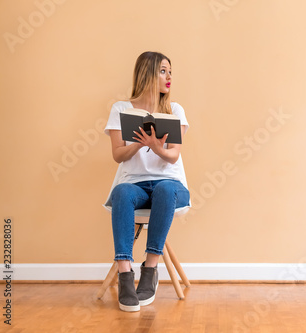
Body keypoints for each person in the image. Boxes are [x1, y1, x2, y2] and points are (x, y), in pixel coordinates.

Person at [103, 51, 190, 312]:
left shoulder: (174, 110)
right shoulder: (121, 109)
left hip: (171, 186)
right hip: (136, 185)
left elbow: (173, 156)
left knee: (164, 188)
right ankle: (125, 273)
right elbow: (118, 155)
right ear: (148, 73)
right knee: (122, 193)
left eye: (170, 72)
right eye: (163, 71)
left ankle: (150, 270)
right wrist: (139, 144)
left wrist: (156, 147)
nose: (169, 77)